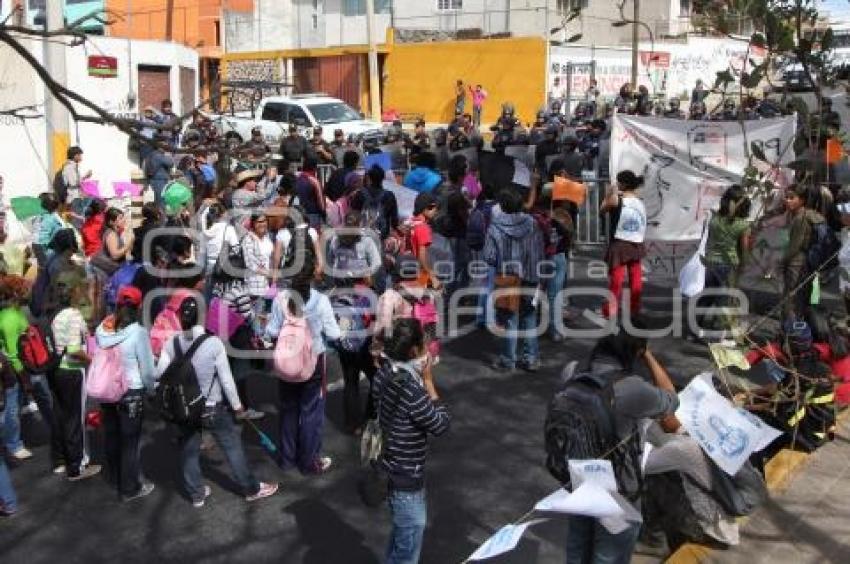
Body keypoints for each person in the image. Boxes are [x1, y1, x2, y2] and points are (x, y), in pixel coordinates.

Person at [563, 327, 679, 564]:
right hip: (618, 487)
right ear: (633, 353)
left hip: (578, 477)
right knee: (608, 556)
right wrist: (648, 355)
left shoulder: (572, 372)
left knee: (578, 548)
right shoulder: (630, 388)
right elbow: (671, 400)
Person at [157, 296, 279, 506]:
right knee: (231, 446)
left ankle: (196, 494)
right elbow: (226, 380)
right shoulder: (213, 343)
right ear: (203, 318)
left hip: (184, 407)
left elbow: (160, 373)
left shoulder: (172, 342)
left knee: (189, 450)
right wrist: (238, 406)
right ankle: (251, 488)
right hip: (212, 407)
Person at [374, 318, 451, 564]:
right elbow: (441, 424)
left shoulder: (384, 373)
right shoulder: (412, 391)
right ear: (414, 351)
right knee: (408, 545)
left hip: (391, 462)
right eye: (424, 344)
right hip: (407, 476)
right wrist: (429, 381)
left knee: (400, 536)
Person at [265, 265, 341, 474]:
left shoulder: (280, 299)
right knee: (311, 413)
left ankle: (287, 459)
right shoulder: (321, 300)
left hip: (286, 361)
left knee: (289, 410)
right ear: (313, 277)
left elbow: (270, 330)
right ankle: (309, 461)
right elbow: (334, 334)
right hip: (313, 362)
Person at [95, 286, 156, 501]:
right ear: (139, 306)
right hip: (131, 391)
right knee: (130, 443)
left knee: (111, 436)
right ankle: (129, 488)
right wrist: (152, 390)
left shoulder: (103, 329)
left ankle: (114, 477)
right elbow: (148, 370)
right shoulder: (139, 333)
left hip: (107, 390)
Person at [485, 189, 545, 372]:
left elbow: (489, 256)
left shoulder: (495, 227)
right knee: (529, 317)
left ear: (502, 206)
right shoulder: (533, 224)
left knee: (509, 318)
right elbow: (539, 251)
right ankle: (531, 359)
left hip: (507, 277)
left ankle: (508, 360)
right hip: (530, 275)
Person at [49, 272, 101, 481]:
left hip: (57, 370)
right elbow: (73, 349)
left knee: (64, 416)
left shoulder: (57, 315)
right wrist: (92, 360)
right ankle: (77, 466)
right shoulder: (73, 315)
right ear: (73, 292)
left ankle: (66, 459)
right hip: (72, 371)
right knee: (76, 420)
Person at [700, 185, 752, 337]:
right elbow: (744, 248)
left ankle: (695, 327)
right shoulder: (743, 225)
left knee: (707, 295)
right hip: (729, 265)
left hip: (710, 262)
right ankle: (717, 332)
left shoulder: (714, 218)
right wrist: (744, 265)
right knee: (724, 299)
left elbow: (707, 238)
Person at [600, 171, 647, 318]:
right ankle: (635, 308)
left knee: (617, 280)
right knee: (636, 278)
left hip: (620, 243)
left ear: (623, 184)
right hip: (636, 243)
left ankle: (610, 310)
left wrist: (608, 194)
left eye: (618, 181)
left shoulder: (616, 200)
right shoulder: (640, 202)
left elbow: (602, 209)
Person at [0, 277, 33, 462]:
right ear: (15, 294)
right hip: (11, 370)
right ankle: (13, 444)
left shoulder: (14, 312)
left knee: (14, 406)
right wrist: (24, 377)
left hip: (15, 367)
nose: (28, 292)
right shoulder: (11, 318)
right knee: (10, 409)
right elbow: (13, 354)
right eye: (25, 289)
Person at [782, 185, 826, 320]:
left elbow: (795, 245)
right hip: (809, 262)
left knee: (792, 298)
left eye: (791, 198)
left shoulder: (800, 218)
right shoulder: (812, 215)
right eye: (786, 197)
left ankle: (790, 330)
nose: (787, 200)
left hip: (797, 262)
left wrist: (782, 261)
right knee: (802, 296)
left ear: (801, 200)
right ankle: (799, 328)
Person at [350, 165, 400, 242]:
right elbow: (394, 220)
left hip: (363, 235)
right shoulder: (389, 195)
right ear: (383, 178)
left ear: (369, 178)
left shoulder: (360, 194)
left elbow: (353, 215)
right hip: (382, 236)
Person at [33, 193, 67, 266]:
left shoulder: (39, 216)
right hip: (45, 246)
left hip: (36, 244)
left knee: (43, 266)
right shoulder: (53, 217)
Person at [294, 156, 327, 229]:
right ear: (314, 168)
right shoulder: (314, 181)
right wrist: (324, 213)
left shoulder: (297, 178)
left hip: (298, 214)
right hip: (312, 215)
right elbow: (321, 202)